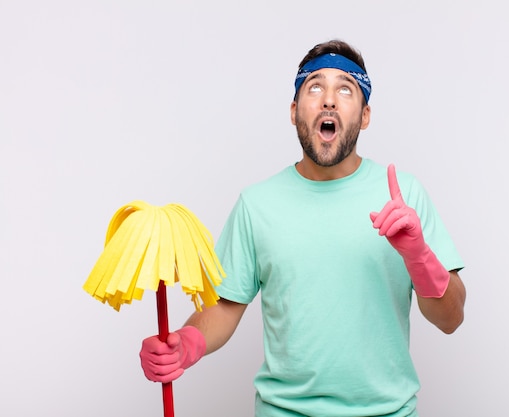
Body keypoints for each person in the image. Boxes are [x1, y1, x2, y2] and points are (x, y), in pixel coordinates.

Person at [140, 39, 467, 417]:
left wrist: (418, 255)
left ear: (364, 115)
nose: (329, 100)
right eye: (315, 87)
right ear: (295, 111)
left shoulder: (404, 196)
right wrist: (186, 342)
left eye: (346, 88)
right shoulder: (256, 204)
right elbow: (225, 307)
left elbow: (452, 318)